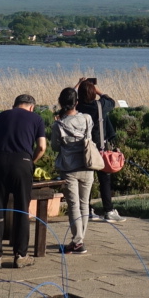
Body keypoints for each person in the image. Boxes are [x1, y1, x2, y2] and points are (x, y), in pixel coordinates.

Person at [0, 93, 47, 268]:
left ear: (15, 105)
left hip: (0, 162)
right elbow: (42, 147)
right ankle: (21, 255)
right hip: (23, 163)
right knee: (21, 210)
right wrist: (31, 161)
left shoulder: (1, 116)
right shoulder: (37, 119)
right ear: (31, 107)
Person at [76, 78, 125, 224]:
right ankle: (108, 211)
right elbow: (111, 101)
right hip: (100, 147)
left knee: (86, 180)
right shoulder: (100, 106)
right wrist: (97, 90)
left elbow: (67, 99)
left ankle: (88, 210)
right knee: (104, 180)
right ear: (93, 93)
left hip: (83, 148)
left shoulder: (77, 106)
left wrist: (78, 85)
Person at [52, 88, 94, 255]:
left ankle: (77, 241)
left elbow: (55, 146)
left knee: (74, 205)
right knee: (84, 204)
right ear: (77, 102)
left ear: (61, 103)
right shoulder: (86, 119)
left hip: (69, 167)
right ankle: (80, 239)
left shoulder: (59, 124)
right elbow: (89, 139)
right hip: (87, 165)